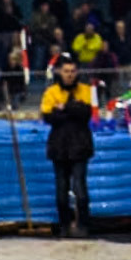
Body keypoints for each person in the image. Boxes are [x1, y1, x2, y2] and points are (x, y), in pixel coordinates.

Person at [40, 56, 97, 237]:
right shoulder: (51, 92)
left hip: (80, 145)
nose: (70, 75)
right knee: (61, 191)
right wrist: (74, 108)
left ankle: (83, 226)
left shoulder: (87, 90)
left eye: (73, 71)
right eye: (66, 71)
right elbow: (48, 117)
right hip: (59, 146)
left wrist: (64, 108)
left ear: (77, 72)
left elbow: (87, 114)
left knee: (80, 190)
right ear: (59, 72)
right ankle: (65, 226)